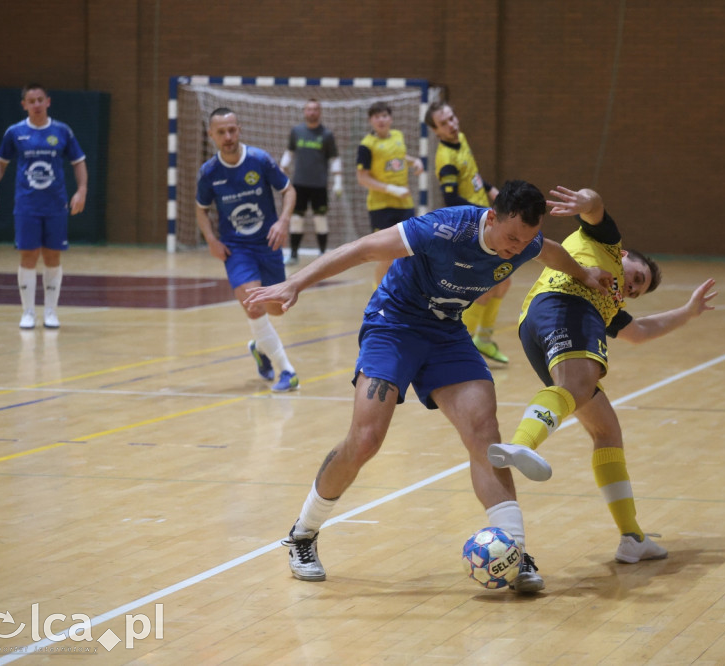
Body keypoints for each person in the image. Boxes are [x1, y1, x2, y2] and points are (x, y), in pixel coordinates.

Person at [244, 180, 612, 593]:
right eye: (512, 238)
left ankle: (515, 551)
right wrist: (295, 282)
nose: (517, 248)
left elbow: (551, 252)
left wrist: (585, 274)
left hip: (446, 334)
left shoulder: (526, 242)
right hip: (393, 325)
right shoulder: (444, 229)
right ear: (492, 218)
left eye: (525, 240)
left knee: (484, 433)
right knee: (365, 439)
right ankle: (302, 534)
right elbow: (363, 249)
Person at [487, 186, 717, 564]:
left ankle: (632, 536)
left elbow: (639, 331)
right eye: (637, 276)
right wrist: (585, 200)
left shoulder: (610, 302)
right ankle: (522, 443)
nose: (633, 286)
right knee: (577, 386)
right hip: (564, 306)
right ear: (624, 256)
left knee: (606, 430)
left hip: (538, 324)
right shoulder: (606, 244)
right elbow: (594, 206)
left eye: (637, 290)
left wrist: (688, 312)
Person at [195, 107, 300, 392]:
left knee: (276, 309)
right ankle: (287, 371)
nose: (228, 136)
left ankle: (260, 346)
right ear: (212, 135)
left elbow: (289, 190)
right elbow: (201, 209)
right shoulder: (209, 172)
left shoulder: (259, 160)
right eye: (221, 132)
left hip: (268, 244)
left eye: (232, 130)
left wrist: (283, 221)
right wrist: (211, 240)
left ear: (239, 129)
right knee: (254, 305)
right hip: (236, 250)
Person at [0, 82, 88, 330]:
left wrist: (82, 189)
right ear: (24, 105)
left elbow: (78, 162)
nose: (37, 104)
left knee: (52, 255)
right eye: (31, 101)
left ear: (48, 101)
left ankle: (50, 311)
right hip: (27, 205)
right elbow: (0, 163)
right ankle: (28, 312)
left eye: (40, 100)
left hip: (55, 205)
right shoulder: (15, 132)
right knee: (28, 255)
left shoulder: (62, 131)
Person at [425, 100, 511, 364]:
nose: (451, 125)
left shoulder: (460, 138)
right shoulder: (445, 160)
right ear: (435, 131)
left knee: (503, 281)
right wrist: (486, 212)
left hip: (486, 223)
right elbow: (451, 199)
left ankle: (483, 339)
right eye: (444, 123)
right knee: (484, 288)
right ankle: (462, 344)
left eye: (452, 118)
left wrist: (492, 190)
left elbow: (472, 176)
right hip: (471, 228)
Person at [355, 101, 424, 286]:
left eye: (384, 116)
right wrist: (392, 189)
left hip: (405, 205)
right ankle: (380, 295)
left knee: (408, 253)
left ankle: (404, 293)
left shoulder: (398, 136)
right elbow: (362, 178)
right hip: (381, 207)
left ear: (391, 119)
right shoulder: (367, 145)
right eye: (377, 117)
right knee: (386, 256)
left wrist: (414, 161)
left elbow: (398, 157)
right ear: (370, 121)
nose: (381, 120)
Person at [279, 98, 342, 263]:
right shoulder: (297, 131)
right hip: (299, 184)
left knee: (320, 219)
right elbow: (289, 152)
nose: (312, 112)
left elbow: (334, 158)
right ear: (304, 111)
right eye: (309, 109)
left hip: (319, 185)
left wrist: (338, 181)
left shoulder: (327, 134)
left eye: (315, 109)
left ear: (319, 112)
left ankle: (322, 255)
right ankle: (293, 255)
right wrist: (281, 169)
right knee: (296, 219)